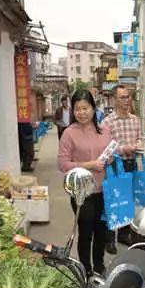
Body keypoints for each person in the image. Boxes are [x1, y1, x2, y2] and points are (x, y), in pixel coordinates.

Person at [58, 90, 112, 277]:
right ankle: (85, 269)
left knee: (102, 230)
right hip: (82, 192)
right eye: (77, 109)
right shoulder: (69, 133)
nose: (82, 112)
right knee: (86, 230)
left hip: (104, 190)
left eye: (85, 108)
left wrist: (110, 159)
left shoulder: (105, 130)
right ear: (73, 111)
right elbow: (63, 164)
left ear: (93, 108)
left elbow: (109, 153)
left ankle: (99, 264)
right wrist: (90, 165)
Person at [102, 84, 142, 252]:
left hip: (131, 164)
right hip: (114, 166)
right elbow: (106, 147)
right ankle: (109, 238)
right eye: (123, 97)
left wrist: (138, 145)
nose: (127, 100)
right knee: (113, 201)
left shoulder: (135, 120)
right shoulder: (107, 122)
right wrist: (124, 149)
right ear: (114, 99)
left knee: (128, 200)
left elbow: (139, 139)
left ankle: (125, 234)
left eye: (128, 96)